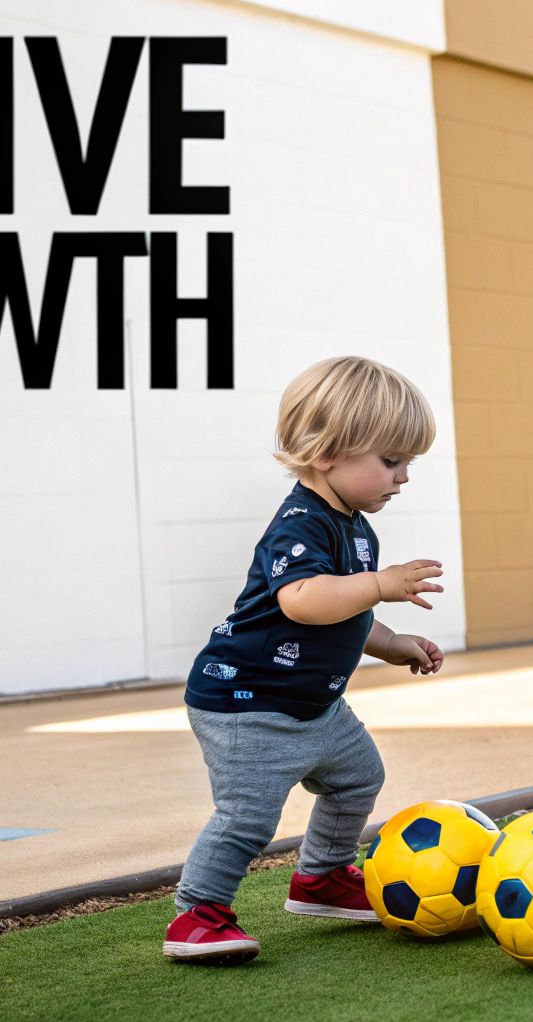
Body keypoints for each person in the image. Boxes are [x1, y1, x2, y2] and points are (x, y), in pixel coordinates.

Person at [163, 356, 448, 963]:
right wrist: (379, 584)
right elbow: (304, 600)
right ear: (328, 453)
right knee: (247, 818)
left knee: (359, 777)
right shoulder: (299, 525)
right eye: (391, 461)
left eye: (409, 463)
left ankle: (320, 877)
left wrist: (391, 642)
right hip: (248, 704)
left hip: (315, 707)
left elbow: (345, 610)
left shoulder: (355, 527)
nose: (403, 478)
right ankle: (196, 915)